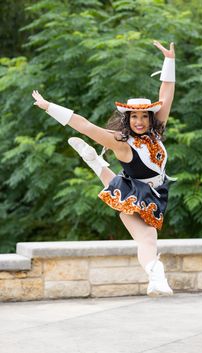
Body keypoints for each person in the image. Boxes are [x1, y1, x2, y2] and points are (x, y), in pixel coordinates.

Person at [32, 40, 176, 297]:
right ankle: (155, 274)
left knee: (126, 198)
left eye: (144, 116)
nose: (140, 121)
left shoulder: (156, 132)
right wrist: (48, 107)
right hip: (137, 196)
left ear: (150, 118)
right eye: (134, 117)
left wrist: (170, 61)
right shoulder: (121, 143)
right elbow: (86, 126)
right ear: (127, 119)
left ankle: (94, 160)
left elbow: (165, 95)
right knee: (148, 239)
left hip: (154, 193)